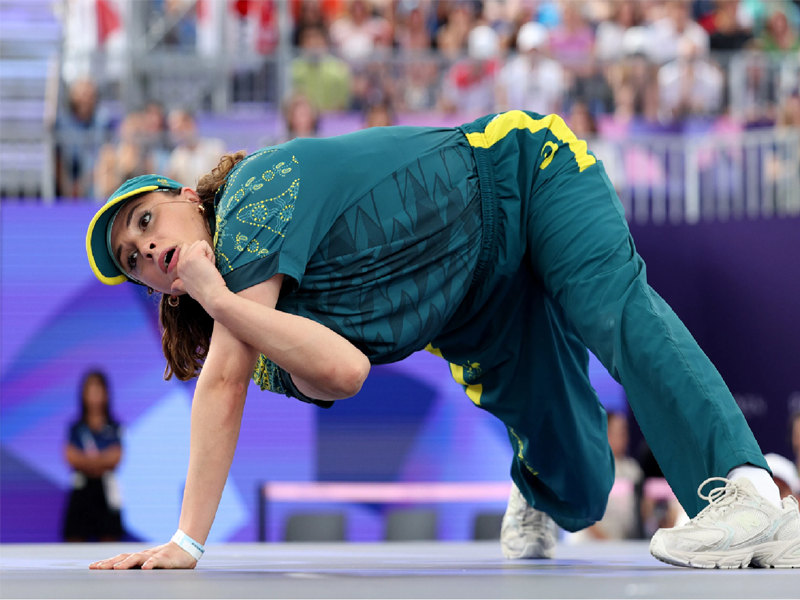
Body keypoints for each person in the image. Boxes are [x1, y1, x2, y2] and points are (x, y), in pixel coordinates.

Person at [84, 109, 799, 570]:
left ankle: (743, 489)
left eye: (145, 222)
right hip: (475, 313)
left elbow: (224, 380)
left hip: (522, 179)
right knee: (578, 492)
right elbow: (343, 372)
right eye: (130, 260)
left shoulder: (251, 193)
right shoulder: (252, 330)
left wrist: (185, 542)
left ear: (184, 198)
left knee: (614, 308)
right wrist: (219, 304)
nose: (145, 249)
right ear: (152, 290)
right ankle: (540, 488)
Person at [63, 371, 124, 542]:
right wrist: (101, 461)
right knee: (74, 541)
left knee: (110, 545)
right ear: (83, 394)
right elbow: (71, 457)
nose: (95, 396)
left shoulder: (114, 426)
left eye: (99, 390)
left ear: (106, 394)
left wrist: (87, 461)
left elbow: (116, 457)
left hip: (106, 491)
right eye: (90, 390)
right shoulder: (76, 428)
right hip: (81, 491)